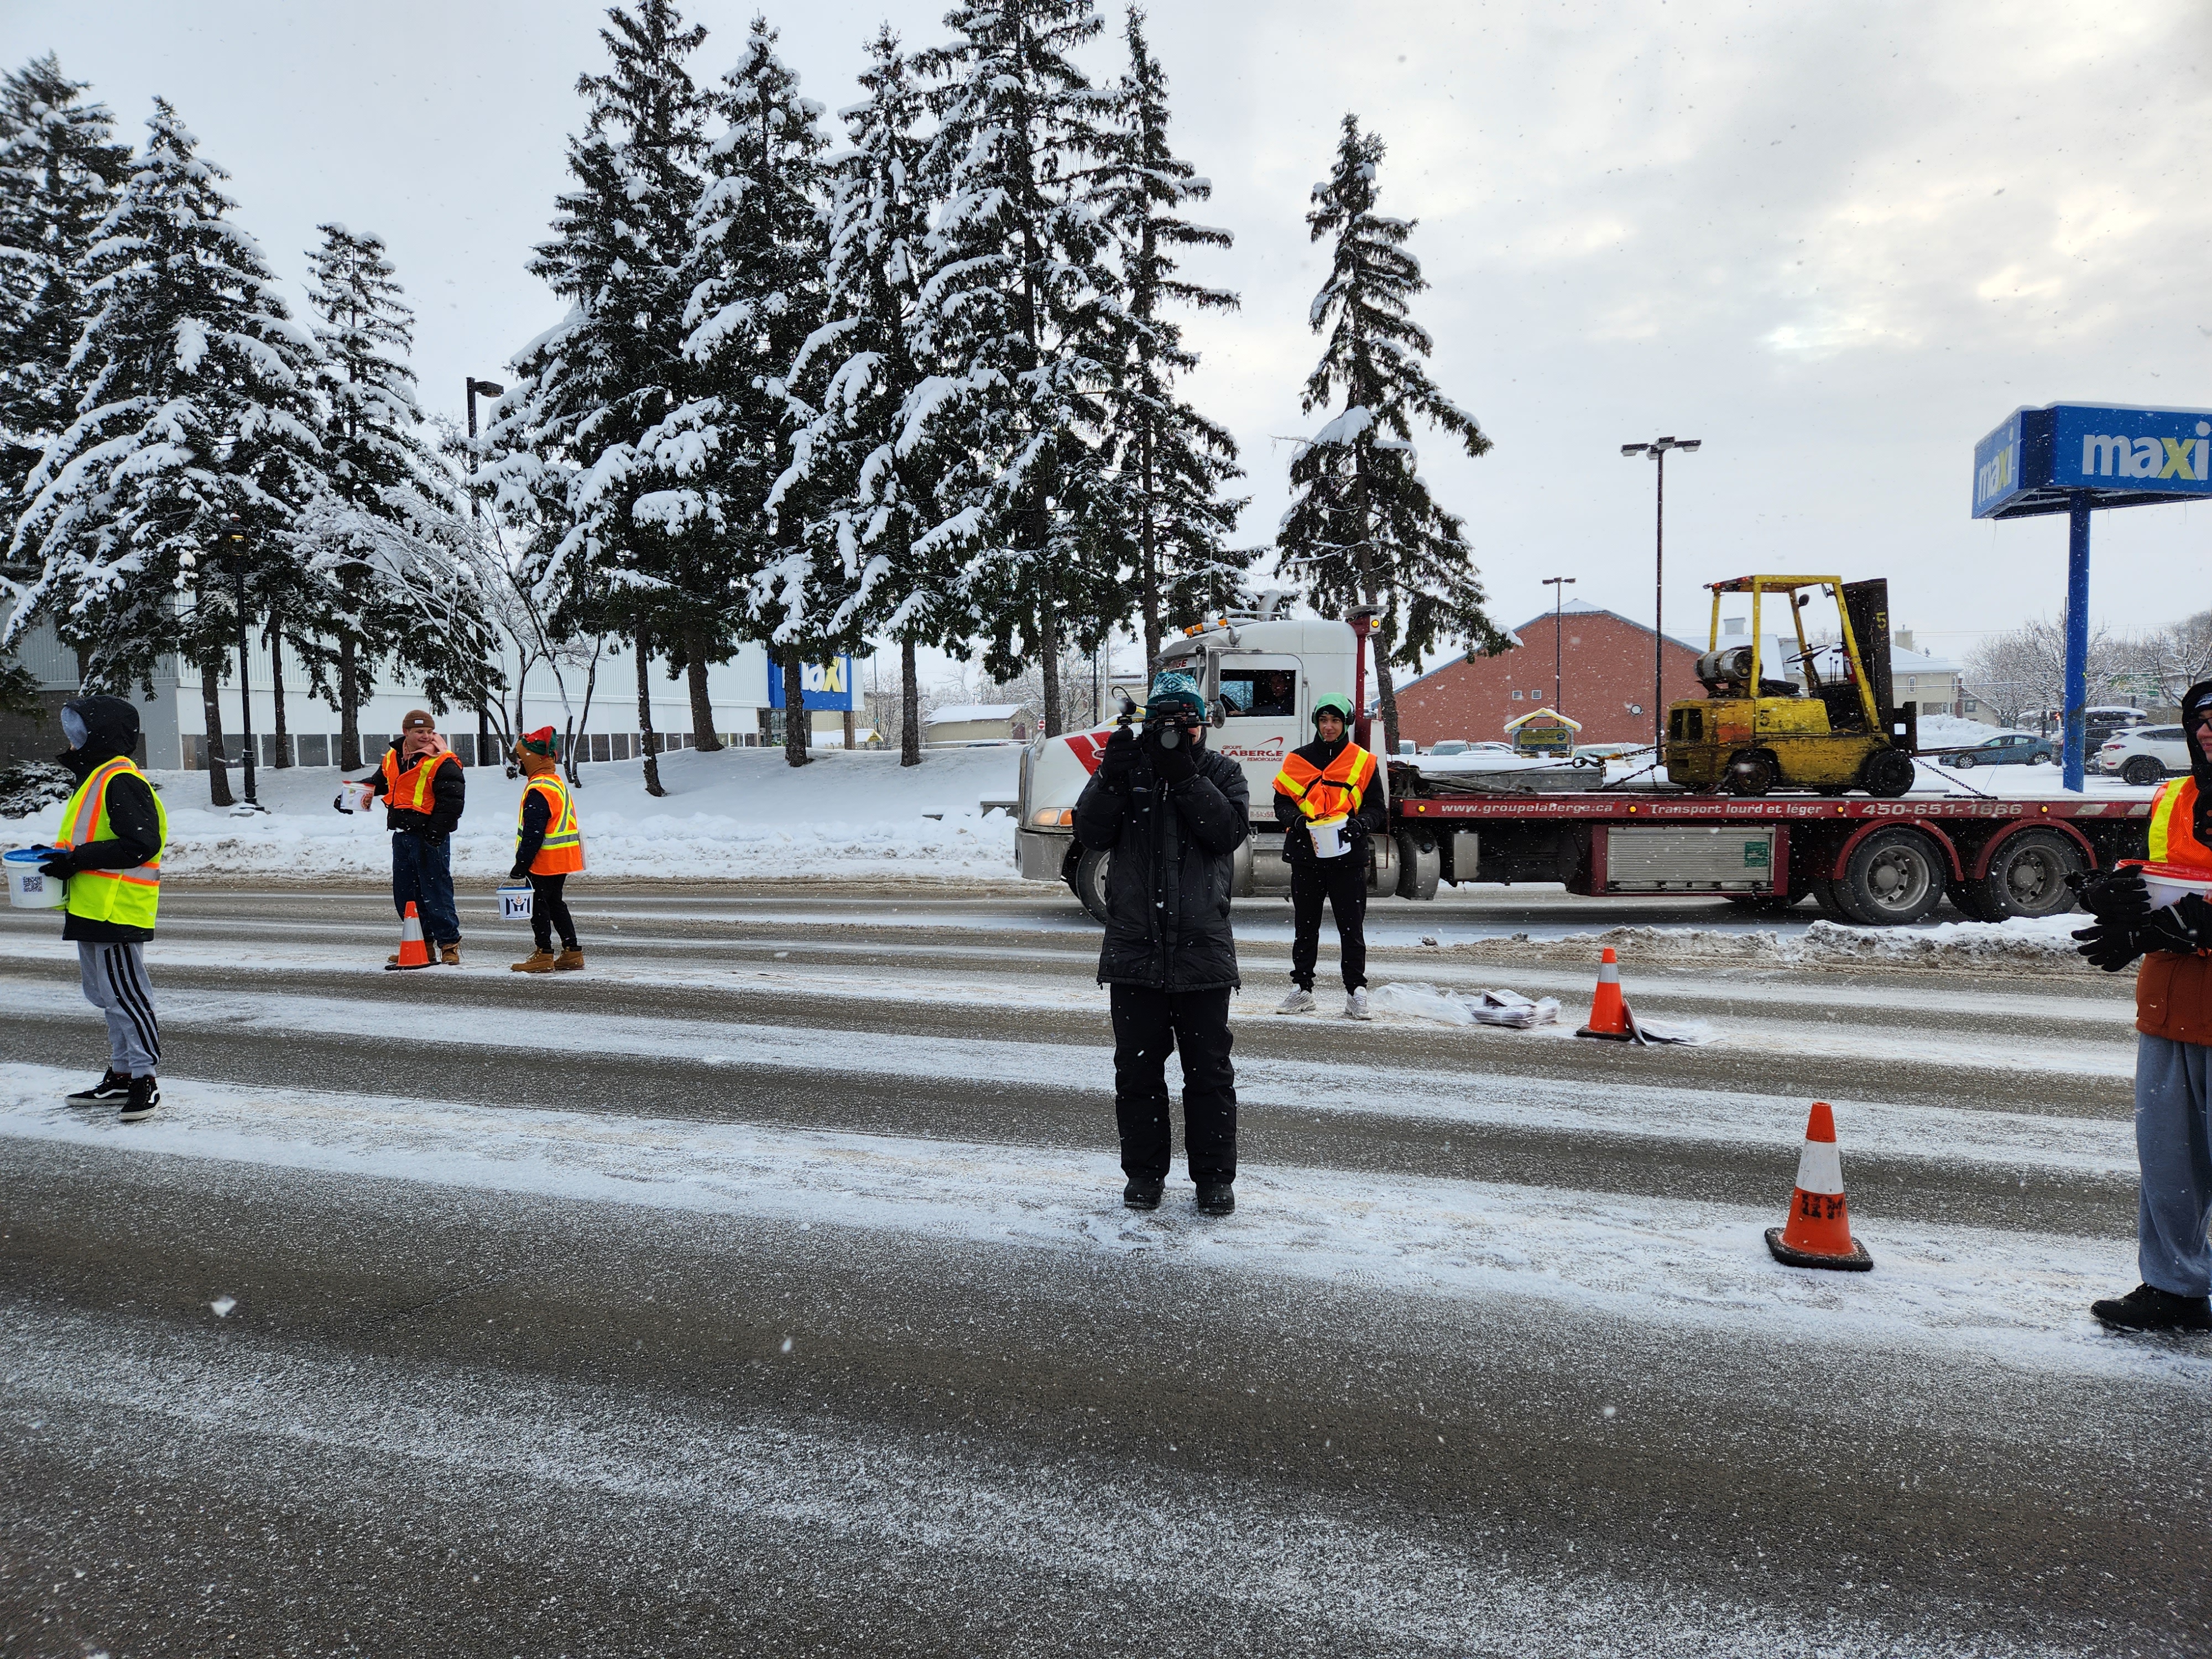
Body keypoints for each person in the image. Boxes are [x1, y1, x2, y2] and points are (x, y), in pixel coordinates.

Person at [1072, 670, 1250, 1215]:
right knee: (1138, 1074)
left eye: (1185, 721)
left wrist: (1185, 775)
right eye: (1165, 720)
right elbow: (1090, 834)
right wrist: (1108, 777)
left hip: (1201, 952)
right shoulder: (1128, 773)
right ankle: (1144, 1176)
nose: (1176, 731)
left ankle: (1214, 1181)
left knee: (1209, 1075)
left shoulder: (1223, 772)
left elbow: (1225, 834)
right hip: (1134, 953)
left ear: (1200, 722)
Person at [2074, 677, 2212, 1334]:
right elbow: (2165, 872)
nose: (2209, 729)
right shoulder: (2174, 796)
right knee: (2168, 1165)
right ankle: (2174, 1288)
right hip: (2168, 1005)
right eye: (2201, 718)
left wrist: (2199, 925)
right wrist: (2116, 893)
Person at [41, 695, 167, 1123]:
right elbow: (91, 839)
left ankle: (144, 1078)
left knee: (126, 996)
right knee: (105, 996)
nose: (72, 740)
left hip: (118, 909)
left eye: (78, 731)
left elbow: (140, 844)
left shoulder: (119, 780)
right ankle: (121, 1072)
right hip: (93, 906)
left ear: (100, 734)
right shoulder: (96, 778)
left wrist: (78, 859)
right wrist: (65, 858)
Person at [1271, 691, 1385, 1019]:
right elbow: (1281, 803)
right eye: (1324, 720)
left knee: (1352, 928)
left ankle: (1356, 991)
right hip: (1307, 856)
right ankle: (1302, 989)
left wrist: (1360, 825)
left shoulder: (1363, 761)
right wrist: (1295, 821)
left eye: (1336, 720)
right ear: (1317, 723)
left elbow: (1377, 807)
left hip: (1347, 857)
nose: (1329, 727)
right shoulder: (1297, 759)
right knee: (1305, 927)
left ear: (1345, 723)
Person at [353, 709, 467, 968]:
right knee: (407, 895)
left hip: (430, 837)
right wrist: (350, 796)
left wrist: (436, 832)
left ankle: (449, 945)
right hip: (402, 835)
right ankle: (420, 944)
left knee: (436, 892)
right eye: (420, 732)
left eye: (429, 731)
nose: (426, 736)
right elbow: (379, 783)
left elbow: (452, 802)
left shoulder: (443, 761)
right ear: (406, 732)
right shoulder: (394, 756)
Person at [509, 727, 586, 972]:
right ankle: (572, 952)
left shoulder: (538, 789)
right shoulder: (555, 783)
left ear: (532, 759)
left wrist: (521, 865)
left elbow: (534, 833)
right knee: (555, 904)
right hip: (562, 858)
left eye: (521, 757)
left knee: (539, 906)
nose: (519, 762)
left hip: (544, 860)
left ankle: (544, 953)